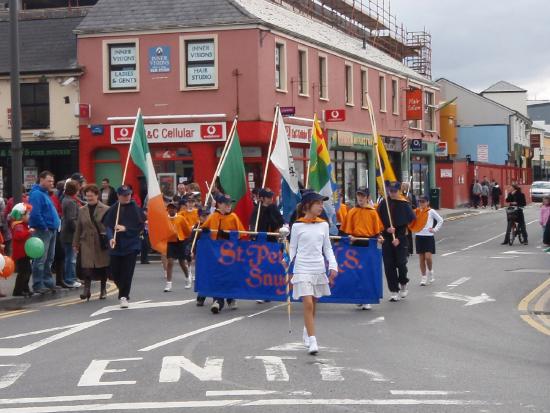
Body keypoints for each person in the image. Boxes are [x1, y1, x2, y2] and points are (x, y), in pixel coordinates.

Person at [289, 191, 337, 355]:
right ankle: (313, 340)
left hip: (318, 267)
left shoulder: (323, 224)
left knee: (314, 302)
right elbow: (292, 247)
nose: (321, 206)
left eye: (322, 203)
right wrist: (287, 259)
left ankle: (307, 330)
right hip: (302, 267)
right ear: (308, 205)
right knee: (308, 303)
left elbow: (328, 248)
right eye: (318, 203)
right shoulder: (296, 226)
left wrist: (333, 265)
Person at [340, 187, 384, 310]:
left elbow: (377, 231)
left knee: (367, 271)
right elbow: (344, 231)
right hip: (355, 244)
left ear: (368, 197)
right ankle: (359, 297)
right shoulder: (352, 211)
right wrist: (349, 236)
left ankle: (367, 298)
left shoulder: (373, 212)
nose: (360, 198)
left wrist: (380, 237)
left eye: (363, 196)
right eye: (358, 195)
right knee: (356, 272)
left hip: (368, 244)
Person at [102, 185, 146, 308]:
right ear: (118, 195)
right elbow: (108, 226)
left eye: (128, 194)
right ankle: (122, 289)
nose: (127, 197)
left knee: (127, 272)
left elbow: (140, 227)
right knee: (114, 273)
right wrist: (111, 237)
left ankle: (124, 296)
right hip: (116, 246)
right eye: (124, 195)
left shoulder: (136, 209)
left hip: (131, 245)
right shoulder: (113, 209)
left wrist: (125, 228)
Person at [201, 194, 245, 313]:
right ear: (219, 204)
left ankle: (230, 298)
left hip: (230, 253)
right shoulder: (212, 217)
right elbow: (201, 231)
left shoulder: (234, 217)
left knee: (229, 275)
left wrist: (228, 235)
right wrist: (203, 231)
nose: (229, 206)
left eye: (230, 203)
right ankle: (218, 301)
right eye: (226, 203)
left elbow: (242, 235)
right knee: (217, 276)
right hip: (215, 253)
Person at [377, 182, 416, 301]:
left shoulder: (404, 204)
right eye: (390, 191)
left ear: (399, 191)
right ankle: (394, 290)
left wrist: (399, 238)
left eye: (394, 191)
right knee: (389, 265)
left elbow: (408, 224)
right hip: (387, 237)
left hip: (401, 237)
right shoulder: (383, 204)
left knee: (401, 263)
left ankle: (403, 282)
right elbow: (378, 221)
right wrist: (385, 229)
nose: (392, 193)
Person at [73, 184, 110, 301]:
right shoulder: (82, 210)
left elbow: (109, 226)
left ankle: (103, 289)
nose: (89, 198)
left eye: (91, 196)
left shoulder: (106, 209)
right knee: (86, 267)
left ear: (97, 196)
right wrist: (75, 243)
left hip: (101, 242)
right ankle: (86, 290)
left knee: (102, 267)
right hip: (86, 242)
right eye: (87, 196)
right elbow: (78, 227)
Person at [29, 171, 61, 294]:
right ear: (41, 180)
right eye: (49, 181)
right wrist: (45, 227)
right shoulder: (37, 194)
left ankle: (47, 283)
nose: (51, 183)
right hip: (44, 230)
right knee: (41, 258)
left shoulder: (44, 193)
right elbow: (36, 213)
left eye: (52, 181)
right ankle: (38, 284)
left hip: (50, 229)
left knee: (49, 258)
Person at [409, 195, 443, 286]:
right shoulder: (416, 211)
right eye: (420, 201)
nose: (421, 203)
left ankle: (431, 271)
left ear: (427, 202)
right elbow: (409, 218)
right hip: (419, 236)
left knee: (428, 257)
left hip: (428, 236)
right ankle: (424, 277)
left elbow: (440, 220)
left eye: (423, 201)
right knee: (421, 258)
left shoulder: (431, 211)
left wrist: (435, 229)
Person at [165, 202, 192, 292]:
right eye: (169, 208)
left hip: (180, 242)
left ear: (176, 209)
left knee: (182, 262)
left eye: (173, 208)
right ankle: (168, 284)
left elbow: (187, 231)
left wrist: (184, 238)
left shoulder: (181, 218)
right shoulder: (165, 219)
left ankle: (187, 278)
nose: (171, 210)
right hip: (170, 242)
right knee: (170, 262)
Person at [60, 180, 83, 288]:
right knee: (71, 258)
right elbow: (71, 220)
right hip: (70, 235)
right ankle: (70, 279)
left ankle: (72, 277)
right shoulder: (70, 202)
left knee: (71, 257)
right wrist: (79, 231)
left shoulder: (67, 200)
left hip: (67, 234)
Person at [11, 204, 33, 297]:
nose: (29, 216)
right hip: (21, 253)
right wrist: (28, 232)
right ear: (21, 215)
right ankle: (18, 291)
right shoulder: (19, 226)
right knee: (24, 272)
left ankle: (25, 288)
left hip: (24, 252)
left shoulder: (23, 225)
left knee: (27, 271)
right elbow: (18, 236)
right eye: (27, 214)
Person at [178, 195, 199, 286]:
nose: (190, 204)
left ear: (194, 203)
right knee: (188, 255)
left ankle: (195, 272)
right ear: (186, 203)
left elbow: (200, 220)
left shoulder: (197, 212)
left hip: (196, 235)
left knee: (196, 254)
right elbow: (179, 220)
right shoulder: (182, 213)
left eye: (192, 202)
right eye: (189, 202)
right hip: (187, 236)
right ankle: (189, 272)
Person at [194, 207, 211, 307]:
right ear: (199, 217)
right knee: (203, 276)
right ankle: (201, 296)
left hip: (212, 254)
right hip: (201, 256)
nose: (206, 217)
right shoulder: (197, 227)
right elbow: (192, 241)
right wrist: (190, 251)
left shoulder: (212, 225)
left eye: (207, 215)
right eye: (204, 216)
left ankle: (216, 298)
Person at [401, 182, 417, 256]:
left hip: (408, 217)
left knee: (408, 234)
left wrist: (407, 200)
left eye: (404, 186)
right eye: (402, 186)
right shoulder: (402, 195)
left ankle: (409, 250)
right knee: (404, 233)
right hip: (403, 216)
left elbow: (412, 205)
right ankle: (406, 249)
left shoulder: (409, 195)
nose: (402, 187)